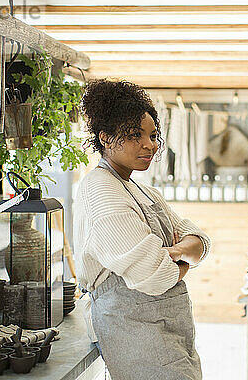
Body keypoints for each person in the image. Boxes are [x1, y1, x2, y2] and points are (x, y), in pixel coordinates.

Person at [74, 79, 211, 380]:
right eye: (136, 135)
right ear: (106, 139)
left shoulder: (141, 189)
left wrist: (175, 253)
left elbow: (201, 241)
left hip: (171, 330)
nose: (150, 145)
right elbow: (156, 274)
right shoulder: (100, 189)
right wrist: (180, 257)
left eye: (152, 135)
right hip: (135, 333)